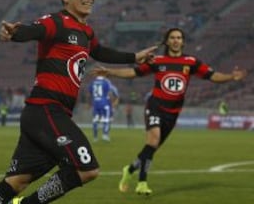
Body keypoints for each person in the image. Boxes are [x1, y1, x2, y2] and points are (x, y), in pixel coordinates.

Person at [0, 0, 157, 204]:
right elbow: (34, 29)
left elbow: (101, 52)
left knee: (17, 182)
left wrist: (134, 56)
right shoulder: (57, 22)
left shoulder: (86, 31)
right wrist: (15, 33)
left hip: (46, 114)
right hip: (46, 108)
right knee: (87, 169)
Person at [91, 27, 247, 195]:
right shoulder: (157, 61)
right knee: (153, 141)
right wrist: (110, 72)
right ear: (167, 41)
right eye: (172, 37)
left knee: (151, 148)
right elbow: (133, 72)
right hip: (155, 107)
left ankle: (129, 169)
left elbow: (213, 76)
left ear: (183, 41)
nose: (176, 40)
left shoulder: (191, 62)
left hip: (172, 113)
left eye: (179, 37)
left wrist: (231, 77)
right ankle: (142, 183)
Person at [88, 74, 119, 142]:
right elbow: (113, 90)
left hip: (95, 103)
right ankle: (105, 135)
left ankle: (95, 137)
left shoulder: (92, 82)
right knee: (106, 119)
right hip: (104, 103)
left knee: (95, 120)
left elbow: (90, 92)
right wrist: (116, 97)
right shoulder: (106, 82)